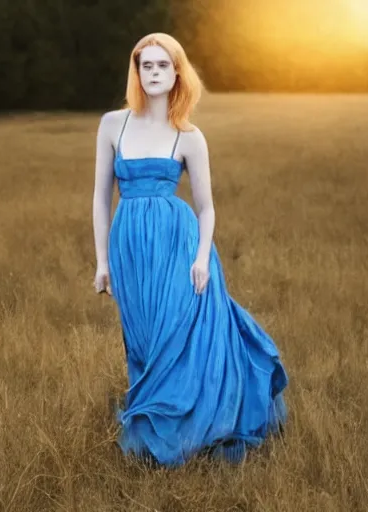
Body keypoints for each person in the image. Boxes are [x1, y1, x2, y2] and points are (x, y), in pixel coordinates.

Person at [91, 33, 288, 467]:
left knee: (175, 336)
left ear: (177, 72)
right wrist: (103, 261)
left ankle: (183, 433)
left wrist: (201, 258)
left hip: (179, 248)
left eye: (163, 65)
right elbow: (100, 197)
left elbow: (207, 208)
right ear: (137, 71)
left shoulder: (189, 136)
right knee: (143, 340)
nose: (155, 73)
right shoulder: (112, 124)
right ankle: (152, 428)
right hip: (130, 248)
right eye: (147, 66)